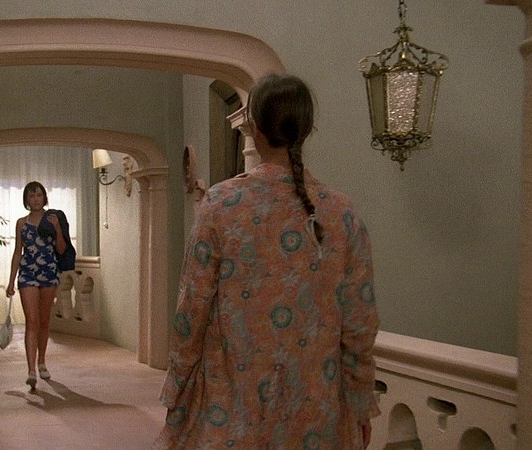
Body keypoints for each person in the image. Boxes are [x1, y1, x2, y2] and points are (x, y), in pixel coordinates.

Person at [154, 74, 380, 449]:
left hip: (232, 409)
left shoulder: (221, 205)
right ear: (306, 130)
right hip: (315, 409)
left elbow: (192, 308)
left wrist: (178, 390)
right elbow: (360, 321)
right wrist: (359, 403)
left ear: (254, 128)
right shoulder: (340, 213)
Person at [6, 181, 75, 390]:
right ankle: (31, 370)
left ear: (44, 197)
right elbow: (18, 252)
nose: (35, 199)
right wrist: (11, 281)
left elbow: (61, 249)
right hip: (27, 274)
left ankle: (42, 362)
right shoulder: (21, 223)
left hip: (49, 273)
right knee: (32, 320)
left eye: (38, 195)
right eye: (31, 195)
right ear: (26, 199)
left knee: (44, 321)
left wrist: (57, 228)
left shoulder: (53, 218)